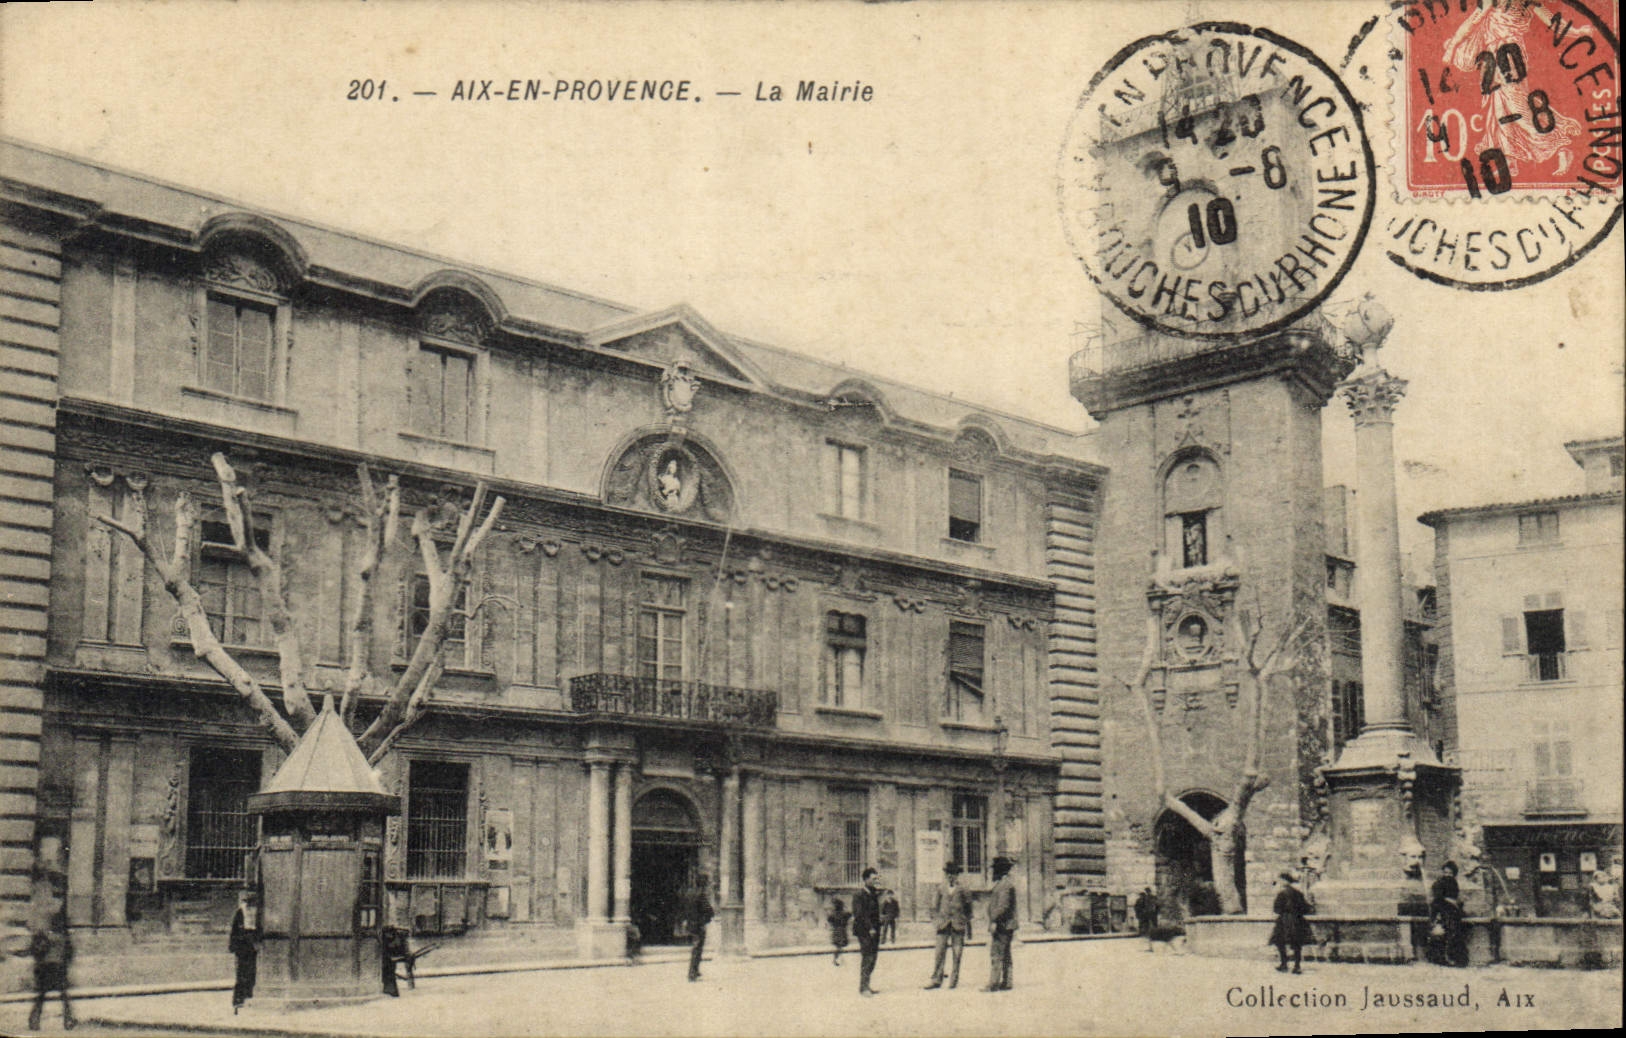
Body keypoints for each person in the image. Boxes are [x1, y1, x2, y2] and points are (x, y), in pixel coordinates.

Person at [924, 861, 972, 989]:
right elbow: (934, 906)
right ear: (946, 875)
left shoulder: (964, 888)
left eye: (954, 874)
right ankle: (936, 979)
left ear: (957, 875)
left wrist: (965, 921)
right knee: (939, 953)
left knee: (957, 953)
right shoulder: (940, 888)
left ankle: (953, 980)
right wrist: (936, 921)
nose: (951, 876)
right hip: (943, 925)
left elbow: (969, 907)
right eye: (949, 874)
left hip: (958, 925)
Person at [27, 907, 74, 1031]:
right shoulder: (64, 938)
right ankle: (68, 1020)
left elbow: (36, 950)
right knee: (64, 996)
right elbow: (69, 954)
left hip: (45, 967)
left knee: (41, 995)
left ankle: (34, 1021)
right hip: (58, 968)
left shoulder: (44, 935)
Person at [984, 855, 1017, 992]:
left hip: (1002, 924)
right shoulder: (1005, 884)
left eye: (994, 870)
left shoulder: (1003, 885)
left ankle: (993, 984)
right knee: (1006, 953)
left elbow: (1002, 907)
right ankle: (1007, 982)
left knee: (996, 953)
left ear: (999, 871)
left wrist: (993, 921)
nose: (992, 873)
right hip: (1007, 924)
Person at [1269, 871, 1313, 974]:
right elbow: (1305, 908)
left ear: (1285, 881)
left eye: (1280, 880)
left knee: (1280, 942)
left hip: (1284, 921)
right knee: (1297, 943)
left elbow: (1276, 909)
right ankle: (1297, 966)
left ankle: (1284, 964)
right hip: (1297, 920)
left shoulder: (1281, 894)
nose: (1279, 882)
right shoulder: (1298, 893)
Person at [1429, 861, 1468, 967]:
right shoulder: (1439, 882)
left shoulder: (1454, 883)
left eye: (1450, 873)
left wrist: (1458, 903)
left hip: (1451, 910)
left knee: (1456, 930)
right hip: (1441, 909)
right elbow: (1439, 897)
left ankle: (1456, 957)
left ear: (1454, 874)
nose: (1447, 875)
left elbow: (1455, 897)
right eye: (1445, 872)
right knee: (1450, 930)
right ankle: (1446, 957)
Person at [853, 867, 883, 995]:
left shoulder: (873, 893)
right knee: (867, 957)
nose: (876, 881)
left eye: (877, 878)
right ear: (865, 880)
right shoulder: (859, 895)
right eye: (873, 879)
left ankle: (867, 985)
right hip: (864, 930)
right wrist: (870, 927)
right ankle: (864, 987)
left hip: (874, 930)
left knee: (873, 957)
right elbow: (859, 914)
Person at [229, 889, 260, 1012]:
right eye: (249, 902)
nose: (251, 906)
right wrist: (235, 946)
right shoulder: (241, 913)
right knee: (242, 974)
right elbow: (235, 931)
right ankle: (238, 999)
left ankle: (248, 996)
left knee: (251, 973)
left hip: (252, 947)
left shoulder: (257, 914)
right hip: (243, 947)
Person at [687, 875, 713, 982]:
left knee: (696, 947)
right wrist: (707, 918)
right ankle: (692, 973)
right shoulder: (701, 894)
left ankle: (695, 970)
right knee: (697, 948)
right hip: (699, 925)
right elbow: (708, 910)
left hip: (691, 924)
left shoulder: (689, 893)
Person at [826, 896, 851, 966]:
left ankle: (837, 959)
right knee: (839, 946)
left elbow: (829, 919)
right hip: (842, 931)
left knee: (838, 946)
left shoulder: (833, 914)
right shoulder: (844, 914)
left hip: (836, 931)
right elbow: (849, 914)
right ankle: (837, 959)